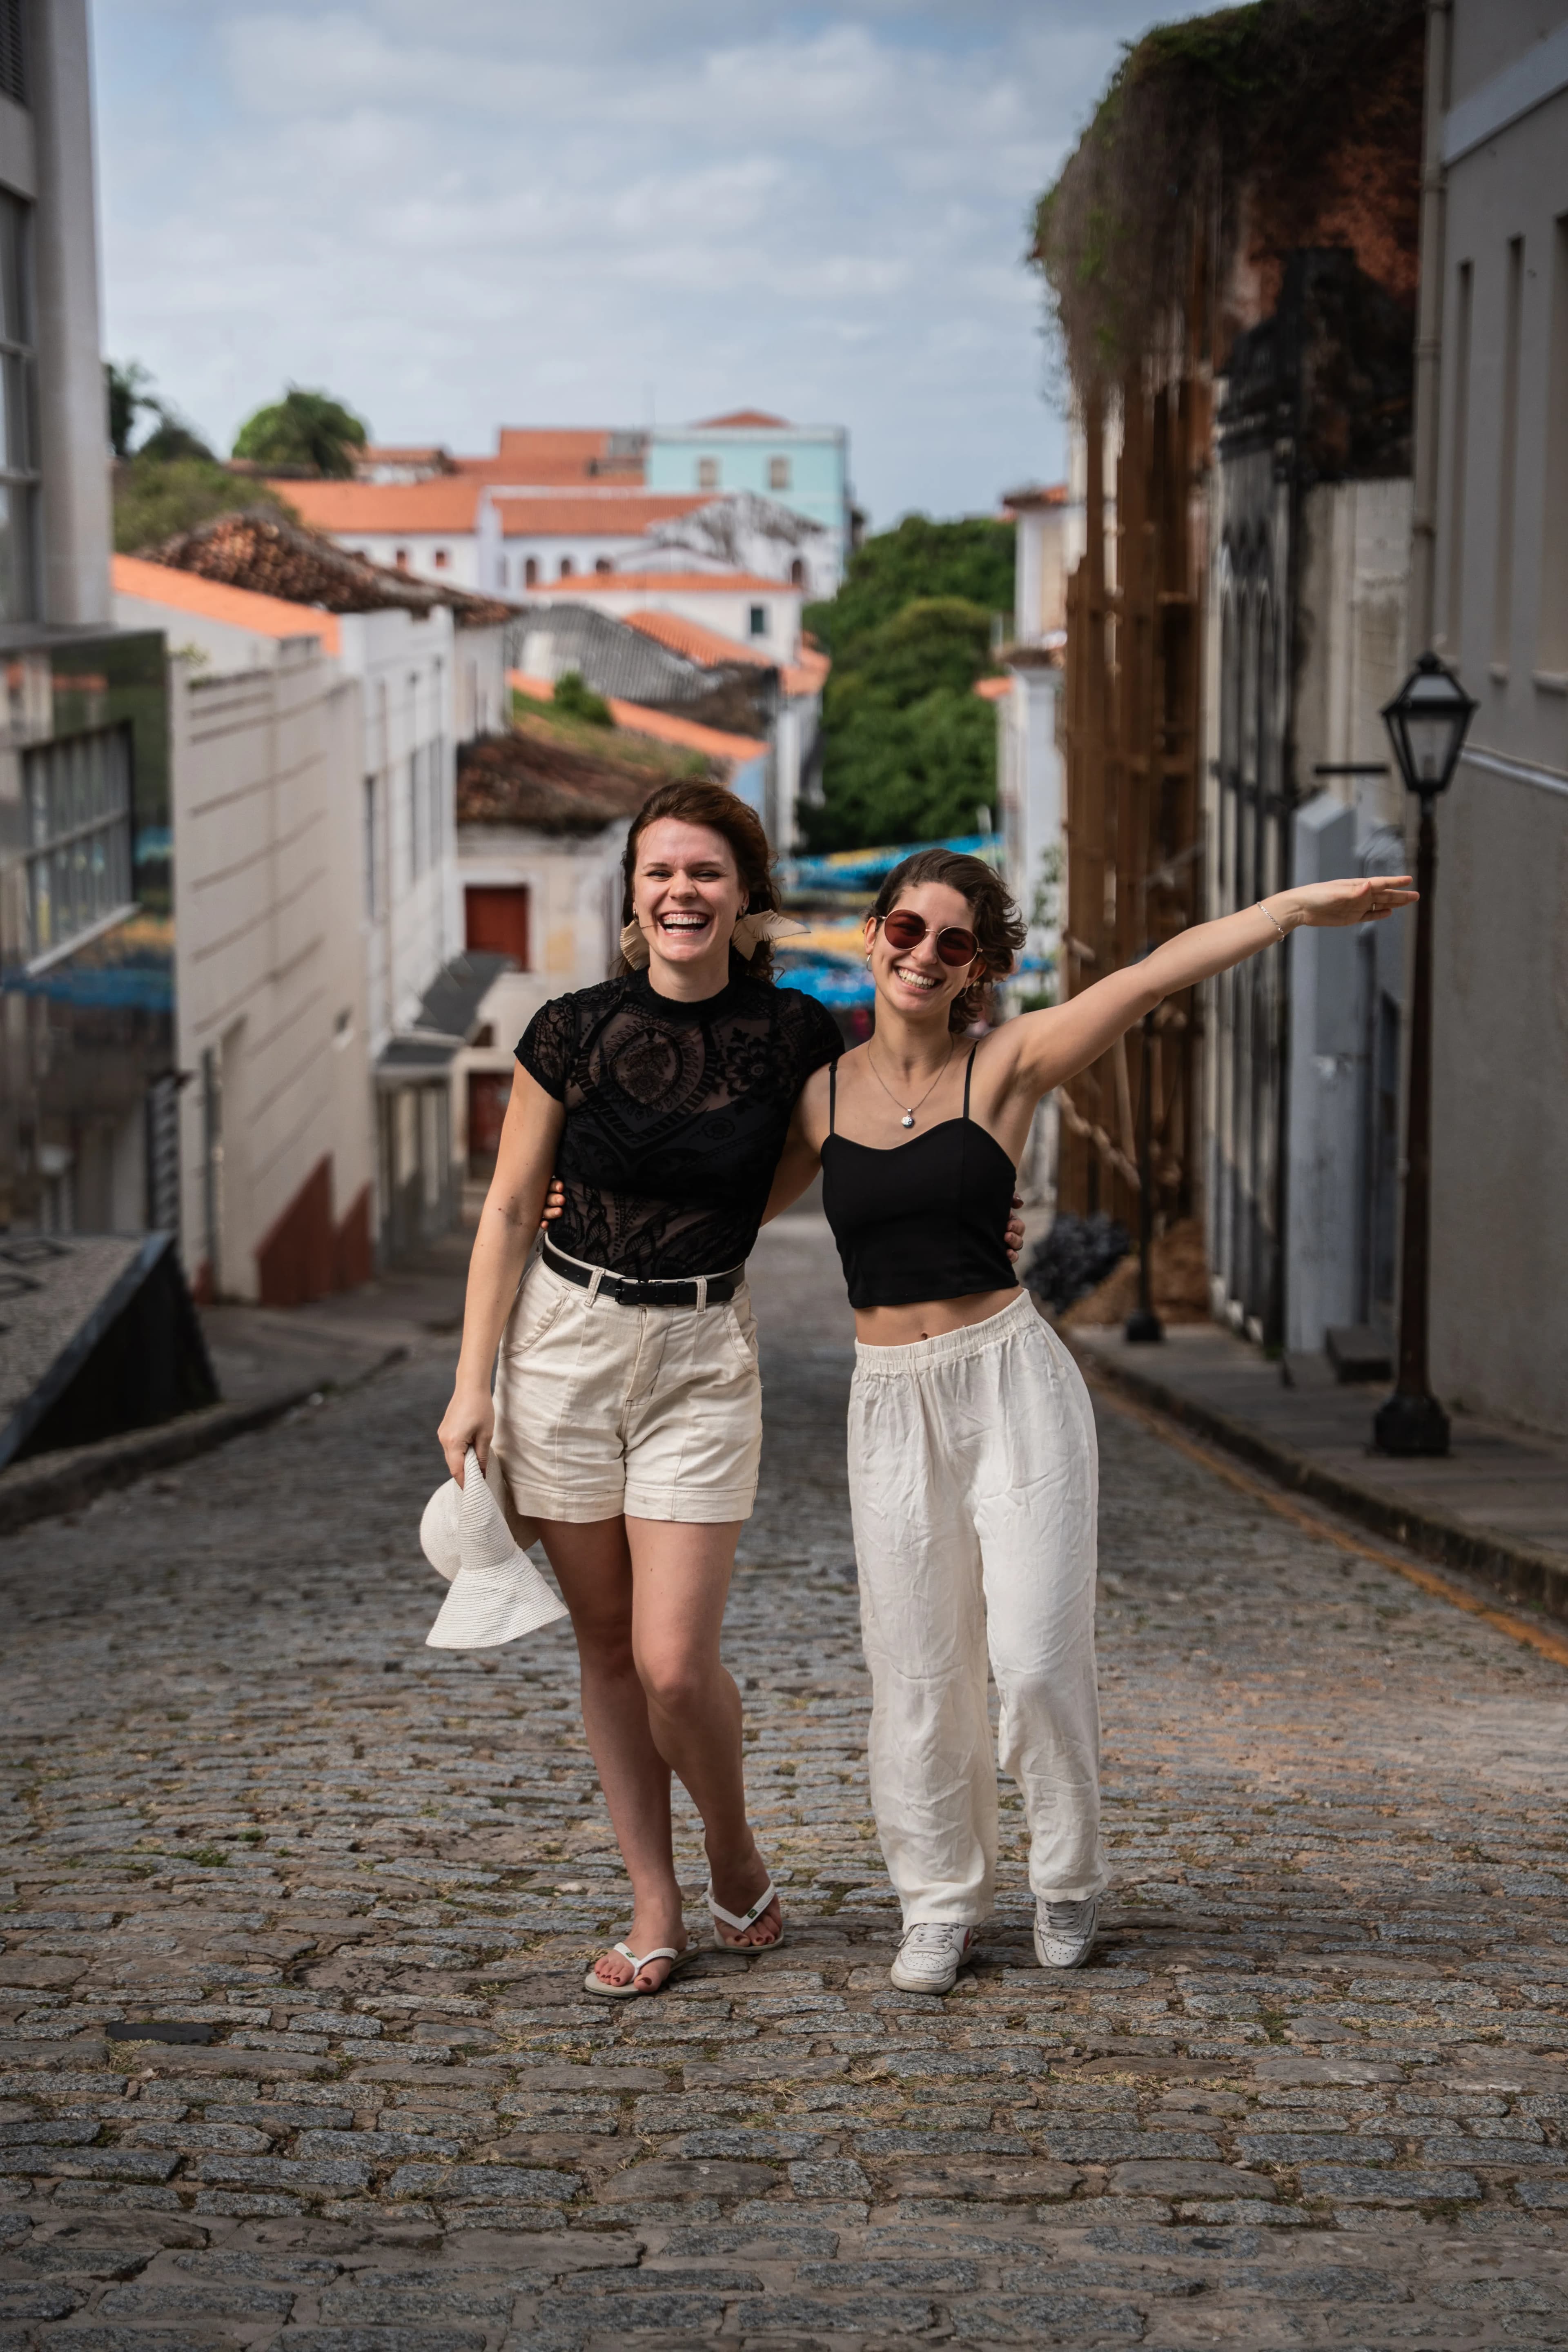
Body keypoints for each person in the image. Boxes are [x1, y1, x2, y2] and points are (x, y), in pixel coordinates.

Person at [762, 846, 1416, 1995]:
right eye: (907, 931)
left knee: (1035, 1658)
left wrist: (1295, 907)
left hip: (1012, 1386)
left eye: (952, 943)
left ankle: (1066, 1875)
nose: (923, 955)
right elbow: (717, 1202)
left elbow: (1154, 976)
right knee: (917, 1675)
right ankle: (938, 1901)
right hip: (889, 1406)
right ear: (873, 935)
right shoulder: (815, 1096)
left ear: (978, 970)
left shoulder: (1008, 1063)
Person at [437, 779, 842, 1996]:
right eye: (662, 872)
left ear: (746, 896)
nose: (683, 892)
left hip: (704, 1360)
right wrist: (473, 1388)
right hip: (561, 1347)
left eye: (707, 873)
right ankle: (655, 1903)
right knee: (608, 1649)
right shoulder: (567, 1030)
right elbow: (511, 1208)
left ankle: (732, 1842)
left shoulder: (797, 1036)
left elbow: (849, 1153)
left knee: (675, 1660)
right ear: (633, 892)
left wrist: (985, 1222)